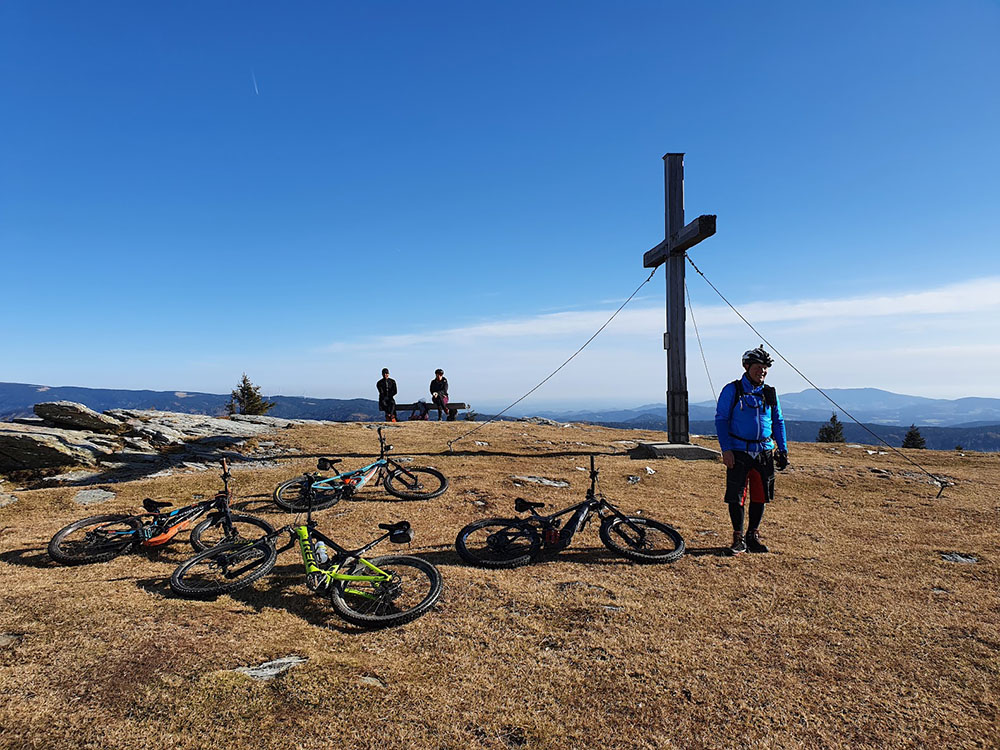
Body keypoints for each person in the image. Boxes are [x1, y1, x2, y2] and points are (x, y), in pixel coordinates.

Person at [714, 346, 788, 556]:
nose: (762, 371)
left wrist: (782, 449)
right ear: (747, 367)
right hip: (739, 451)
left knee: (760, 496)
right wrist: (726, 449)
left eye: (765, 368)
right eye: (758, 367)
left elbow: (778, 421)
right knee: (736, 497)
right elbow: (721, 420)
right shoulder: (733, 390)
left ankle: (752, 536)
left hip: (764, 451)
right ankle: (738, 538)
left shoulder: (769, 392)